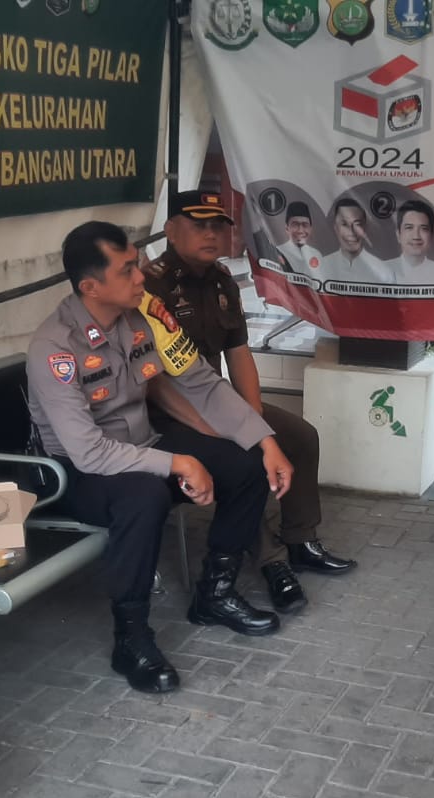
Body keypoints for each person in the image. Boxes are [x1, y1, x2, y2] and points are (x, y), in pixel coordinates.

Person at [26, 222, 296, 695]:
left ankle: (214, 595)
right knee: (144, 496)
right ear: (91, 287)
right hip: (77, 474)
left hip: (143, 445)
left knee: (245, 465)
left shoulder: (141, 316)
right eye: (127, 270)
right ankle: (130, 638)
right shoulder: (55, 348)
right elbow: (87, 451)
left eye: (137, 264)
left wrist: (265, 441)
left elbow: (201, 381)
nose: (141, 277)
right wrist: (177, 464)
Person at [145, 190, 357, 613]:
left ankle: (300, 540)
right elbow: (153, 381)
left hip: (216, 400)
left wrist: (254, 415)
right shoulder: (151, 286)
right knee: (245, 455)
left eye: (217, 226)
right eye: (198, 225)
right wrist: (235, 431)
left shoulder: (222, 280)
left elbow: (238, 354)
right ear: (170, 230)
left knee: (299, 435)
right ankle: (272, 563)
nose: (210, 234)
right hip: (168, 412)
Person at [320, 197, 391, 283]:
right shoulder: (323, 266)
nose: (352, 232)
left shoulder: (381, 269)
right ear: (335, 227)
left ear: (365, 228)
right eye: (344, 224)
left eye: (357, 224)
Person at [387, 199, 434, 284]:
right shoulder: (382, 269)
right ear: (398, 235)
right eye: (409, 228)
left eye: (424, 229)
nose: (416, 236)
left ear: (432, 236)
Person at [275, 202, 323, 275]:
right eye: (295, 225)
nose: (300, 230)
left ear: (310, 228)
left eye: (305, 225)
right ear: (287, 228)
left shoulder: (316, 254)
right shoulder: (278, 252)